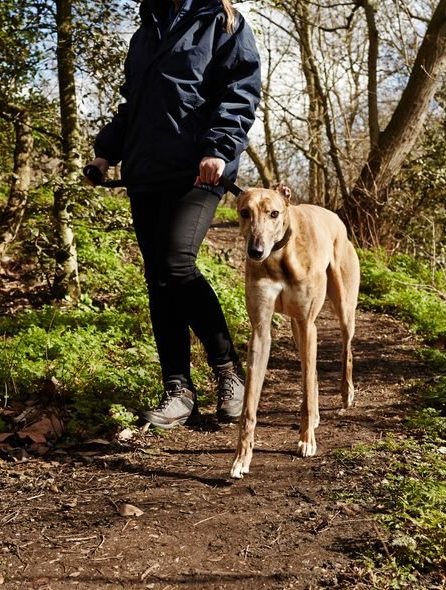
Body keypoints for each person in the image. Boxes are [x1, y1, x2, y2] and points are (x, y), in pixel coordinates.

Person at [86, 0, 261, 429]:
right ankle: (178, 390)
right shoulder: (146, 32)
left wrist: (219, 149)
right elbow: (134, 105)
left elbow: (239, 92)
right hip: (146, 170)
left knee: (176, 263)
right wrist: (106, 153)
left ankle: (229, 372)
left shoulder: (223, 24)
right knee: (159, 278)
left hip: (200, 169)